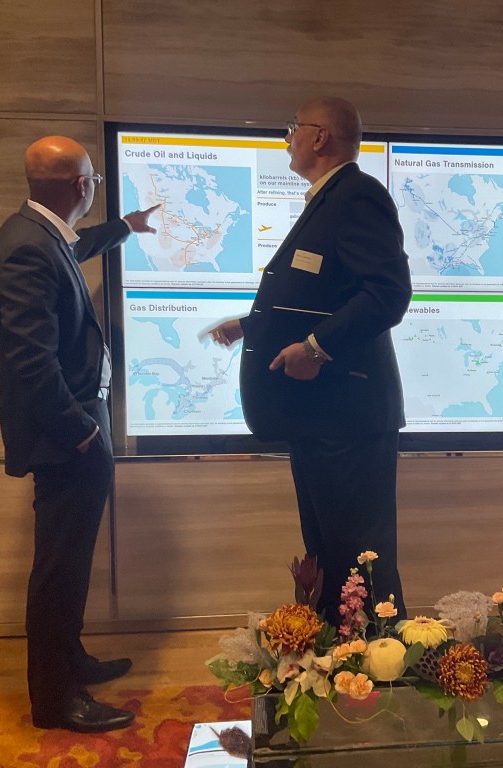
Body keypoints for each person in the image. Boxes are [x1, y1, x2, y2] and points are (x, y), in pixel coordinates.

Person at [210, 97, 412, 622]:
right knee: (331, 554)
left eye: (293, 128)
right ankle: (339, 660)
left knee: (361, 561)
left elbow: (387, 293)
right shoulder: (329, 199)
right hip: (322, 416)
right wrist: (251, 326)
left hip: (348, 418)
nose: (288, 138)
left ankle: (380, 663)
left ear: (320, 137)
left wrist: (317, 348)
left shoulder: (357, 196)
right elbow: (318, 296)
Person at [0, 136, 160, 732]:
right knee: (58, 571)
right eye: (95, 181)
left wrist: (125, 227)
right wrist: (80, 432)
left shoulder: (39, 235)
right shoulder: (25, 250)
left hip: (77, 428)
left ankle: (70, 659)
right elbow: (29, 363)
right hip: (66, 438)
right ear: (80, 186)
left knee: (72, 564)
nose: (95, 189)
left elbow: (77, 247)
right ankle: (55, 700)